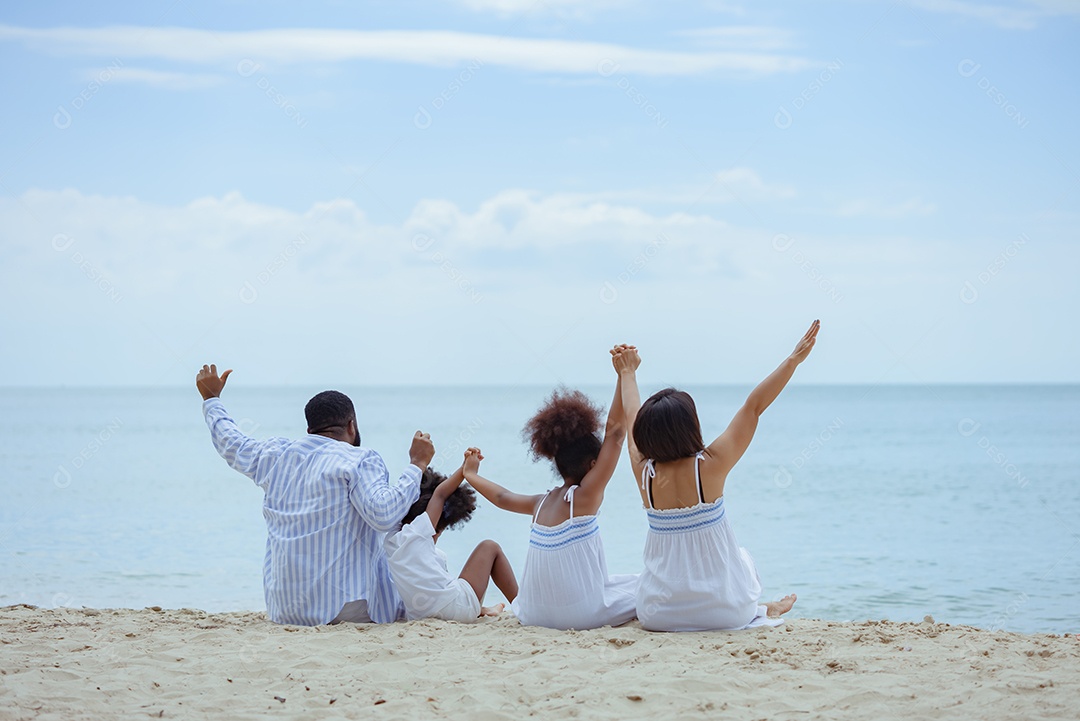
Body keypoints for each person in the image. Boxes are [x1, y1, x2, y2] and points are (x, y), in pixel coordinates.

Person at [613, 321, 819, 632]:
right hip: (726, 614)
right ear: (691, 426)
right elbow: (754, 407)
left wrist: (627, 373)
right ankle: (763, 608)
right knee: (743, 560)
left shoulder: (644, 472)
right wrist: (793, 360)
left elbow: (631, 414)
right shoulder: (709, 466)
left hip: (658, 616)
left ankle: (764, 608)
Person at [195, 363, 434, 626]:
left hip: (284, 611)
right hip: (345, 610)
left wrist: (211, 399)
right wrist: (416, 465)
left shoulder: (275, 455)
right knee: (418, 583)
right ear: (351, 425)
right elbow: (384, 515)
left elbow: (231, 442)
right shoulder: (359, 459)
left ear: (310, 431)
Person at [462, 363, 638, 630]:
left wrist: (471, 474)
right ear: (593, 465)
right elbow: (615, 434)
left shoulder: (539, 503)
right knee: (644, 585)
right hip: (582, 616)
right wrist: (624, 375)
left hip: (533, 615)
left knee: (621, 583)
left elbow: (501, 497)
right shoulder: (586, 496)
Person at [383, 451, 519, 622]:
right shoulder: (417, 531)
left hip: (419, 616)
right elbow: (440, 494)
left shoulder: (390, 540)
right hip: (457, 608)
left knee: (448, 575)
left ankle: (482, 609)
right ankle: (521, 605)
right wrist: (466, 469)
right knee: (490, 547)